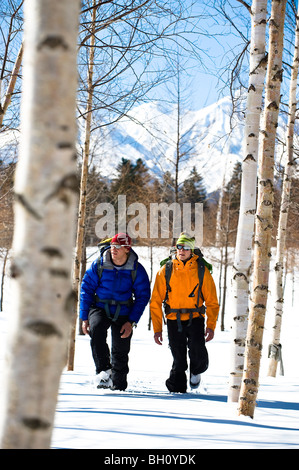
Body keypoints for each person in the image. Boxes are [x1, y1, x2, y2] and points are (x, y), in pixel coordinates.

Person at [150, 232, 219, 393]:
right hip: (173, 319)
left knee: (197, 351)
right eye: (179, 247)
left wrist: (211, 326)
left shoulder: (202, 270)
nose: (181, 250)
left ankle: (196, 370)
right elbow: (155, 301)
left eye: (186, 248)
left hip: (195, 317)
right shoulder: (165, 270)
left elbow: (212, 302)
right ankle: (177, 390)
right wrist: (157, 329)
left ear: (192, 250)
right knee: (178, 357)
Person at [80, 233, 150, 391]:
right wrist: (84, 318)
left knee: (120, 350)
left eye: (118, 246)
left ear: (127, 249)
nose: (113, 249)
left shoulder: (136, 269)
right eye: (112, 246)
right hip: (100, 307)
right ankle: (103, 372)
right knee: (96, 330)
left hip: (123, 311)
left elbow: (143, 296)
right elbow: (86, 289)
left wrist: (131, 321)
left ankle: (118, 386)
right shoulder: (99, 264)